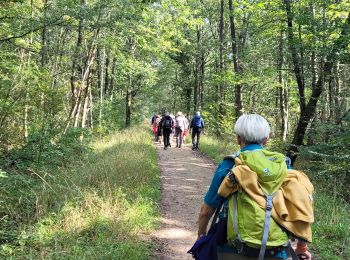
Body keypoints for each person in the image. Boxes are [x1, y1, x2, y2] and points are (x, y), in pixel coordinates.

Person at [190, 114, 313, 260]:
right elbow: (301, 204)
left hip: (234, 249)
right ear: (266, 140)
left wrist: (200, 235)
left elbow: (207, 209)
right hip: (277, 251)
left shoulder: (230, 164)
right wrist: (301, 247)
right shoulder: (283, 166)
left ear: (238, 138)